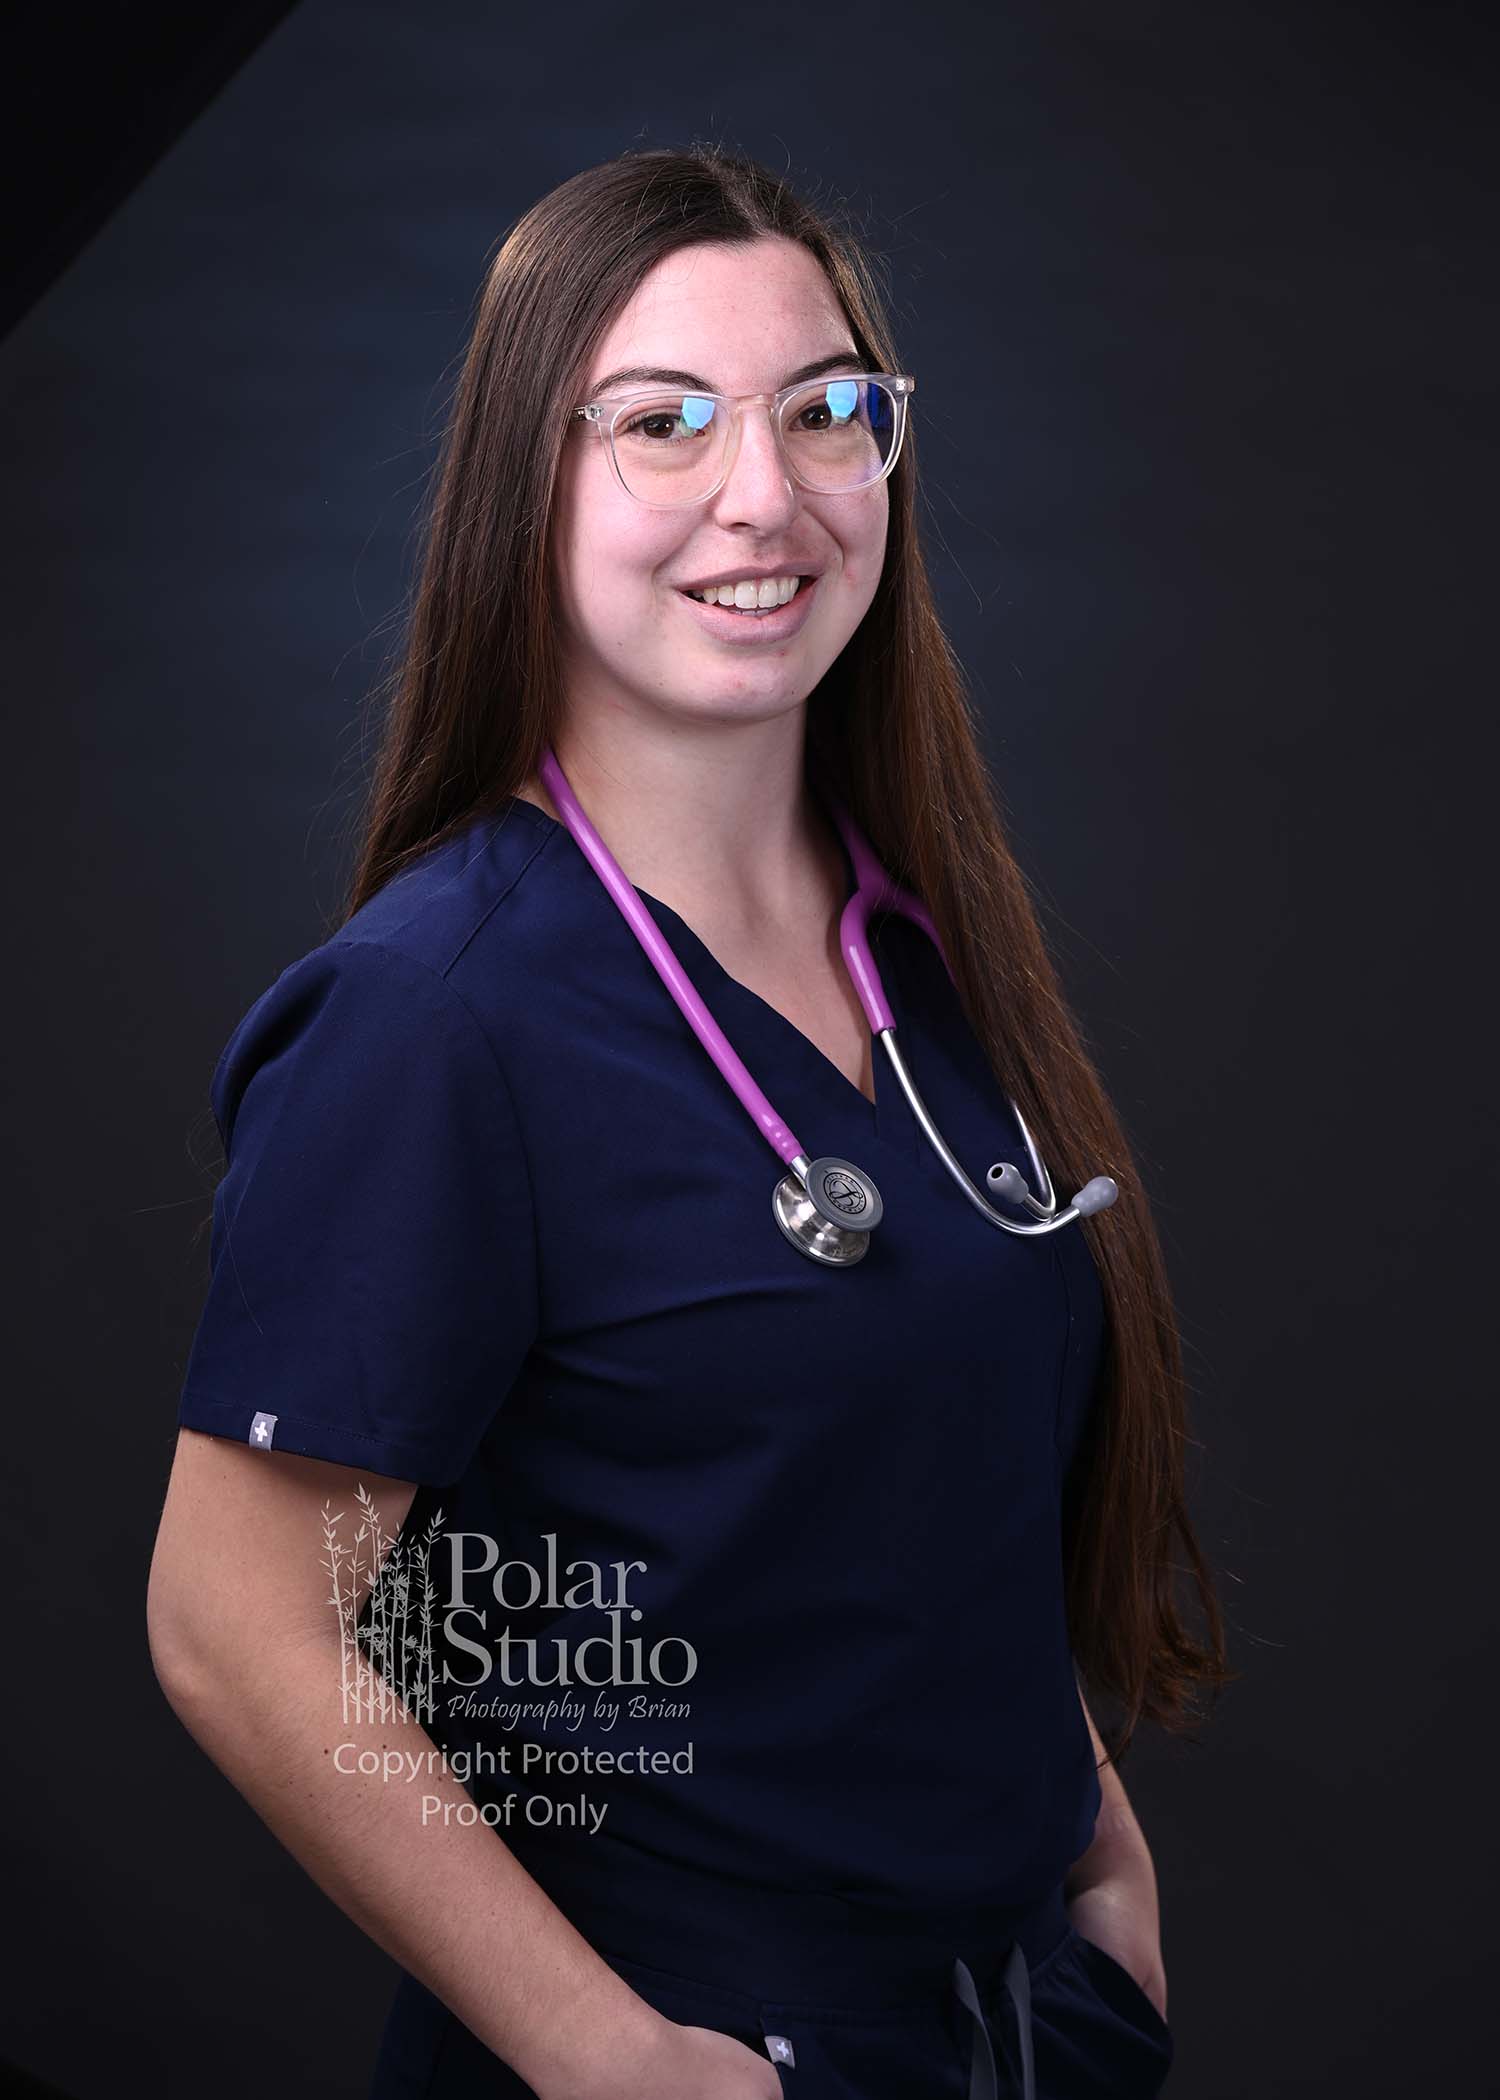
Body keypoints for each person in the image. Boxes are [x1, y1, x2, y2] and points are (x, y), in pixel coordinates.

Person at [147, 144, 1230, 2100]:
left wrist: (1100, 1870)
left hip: (1015, 2035)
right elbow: (239, 1632)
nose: (766, 493)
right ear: (527, 486)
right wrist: (609, 2054)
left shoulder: (920, 956)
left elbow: (926, 1482)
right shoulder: (437, 1018)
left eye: (827, 412)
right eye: (663, 422)